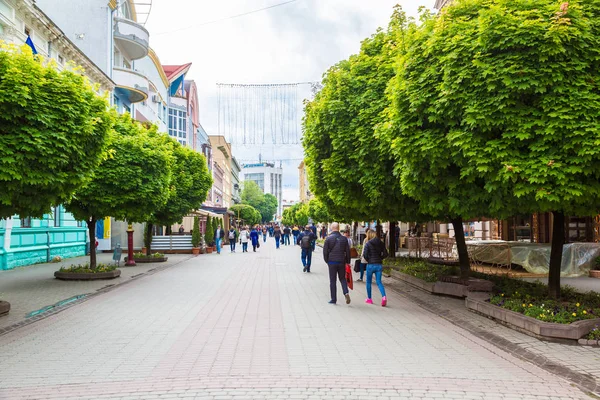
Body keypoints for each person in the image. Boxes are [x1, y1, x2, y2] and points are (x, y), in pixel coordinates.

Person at [323, 222, 351, 305]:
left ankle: (333, 299)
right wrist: (347, 262)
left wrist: (327, 261)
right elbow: (348, 251)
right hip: (341, 261)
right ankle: (346, 292)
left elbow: (325, 252)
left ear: (332, 228)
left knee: (332, 281)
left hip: (331, 262)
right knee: (342, 278)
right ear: (338, 228)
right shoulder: (344, 239)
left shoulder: (328, 239)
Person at [363, 229, 389, 306]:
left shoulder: (368, 243)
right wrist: (380, 258)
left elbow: (365, 255)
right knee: (379, 282)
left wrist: (369, 260)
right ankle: (384, 297)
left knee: (368, 282)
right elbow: (385, 254)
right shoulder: (381, 243)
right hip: (379, 265)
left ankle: (369, 299)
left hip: (370, 265)